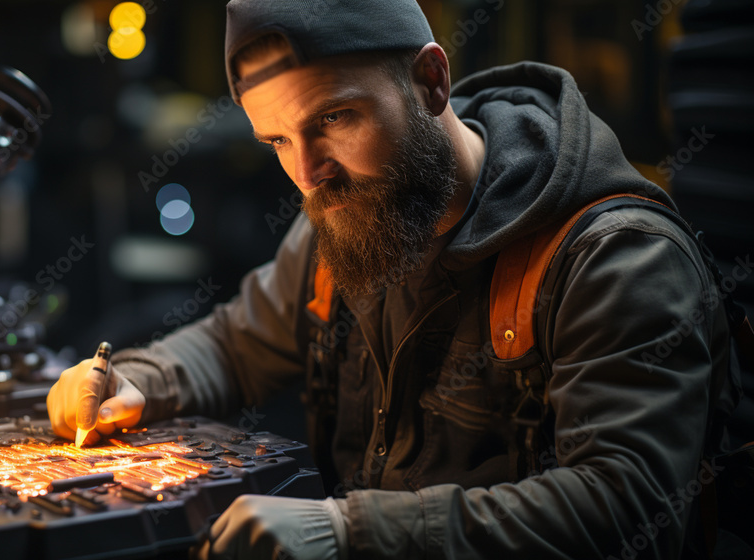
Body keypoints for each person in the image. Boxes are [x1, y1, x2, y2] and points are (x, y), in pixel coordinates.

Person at [48, 0, 738, 558]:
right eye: (279, 141)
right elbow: (236, 341)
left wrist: (354, 532)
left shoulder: (612, 257)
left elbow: (625, 508)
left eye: (335, 119)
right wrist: (141, 379)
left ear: (431, 81)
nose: (309, 174)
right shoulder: (347, 217)